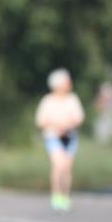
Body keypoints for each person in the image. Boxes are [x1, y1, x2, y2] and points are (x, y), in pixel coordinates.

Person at [35, 68, 84, 211]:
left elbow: (79, 118)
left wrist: (68, 125)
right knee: (58, 166)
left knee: (67, 168)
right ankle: (56, 196)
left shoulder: (72, 99)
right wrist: (57, 126)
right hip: (53, 137)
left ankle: (65, 196)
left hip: (70, 137)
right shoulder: (48, 101)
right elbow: (40, 121)